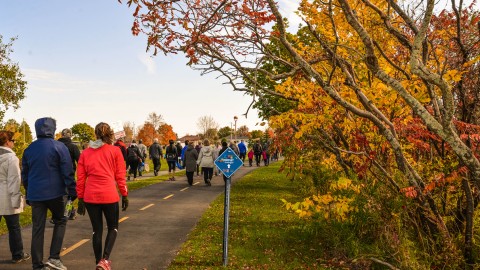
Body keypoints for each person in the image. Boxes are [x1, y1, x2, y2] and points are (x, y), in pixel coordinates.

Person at [22, 117, 77, 270]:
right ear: (52, 129)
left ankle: (37, 265)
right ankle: (54, 257)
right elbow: (67, 171)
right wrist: (72, 191)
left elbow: (25, 175)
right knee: (60, 221)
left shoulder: (29, 149)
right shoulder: (59, 147)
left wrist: (28, 193)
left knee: (37, 228)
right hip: (56, 193)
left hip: (35, 194)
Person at [76, 122, 128, 270]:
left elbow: (80, 178)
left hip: (90, 196)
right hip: (109, 195)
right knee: (113, 227)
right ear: (110, 133)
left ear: (95, 134)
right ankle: (105, 259)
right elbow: (120, 176)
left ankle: (98, 260)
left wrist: (80, 198)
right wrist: (124, 195)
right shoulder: (115, 151)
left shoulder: (85, 153)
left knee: (96, 230)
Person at [0, 131, 30, 264]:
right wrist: (16, 200)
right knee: (14, 227)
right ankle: (17, 254)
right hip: (6, 196)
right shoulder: (12, 159)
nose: (13, 143)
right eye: (13, 141)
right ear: (7, 142)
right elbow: (14, 181)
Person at [58, 128, 81, 220]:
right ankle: (68, 212)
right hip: (69, 173)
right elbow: (80, 160)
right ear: (70, 135)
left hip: (56, 173)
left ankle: (65, 212)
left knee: (59, 194)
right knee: (70, 195)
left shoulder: (56, 146)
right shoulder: (73, 147)